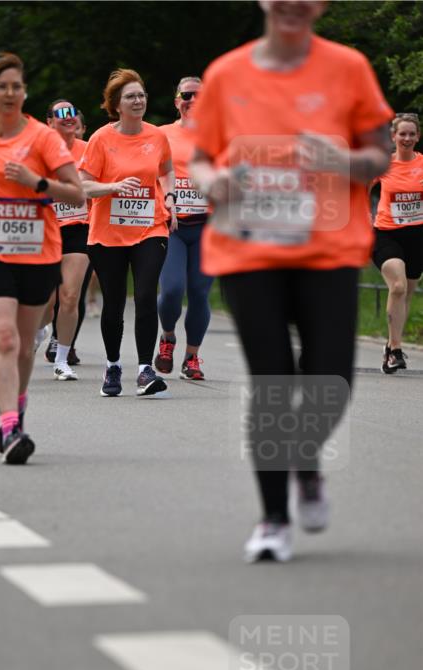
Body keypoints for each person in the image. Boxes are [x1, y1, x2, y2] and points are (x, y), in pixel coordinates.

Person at [191, 0, 393, 562]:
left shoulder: (348, 67)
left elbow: (381, 155)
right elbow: (201, 159)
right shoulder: (227, 73)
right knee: (272, 383)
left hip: (327, 250)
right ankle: (274, 518)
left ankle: (305, 459)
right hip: (248, 249)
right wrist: (218, 180)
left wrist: (344, 161)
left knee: (333, 381)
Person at [0, 51, 84, 463]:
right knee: (5, 338)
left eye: (16, 86)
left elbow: (76, 191)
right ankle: (10, 427)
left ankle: (18, 407)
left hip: (37, 251)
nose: (9, 93)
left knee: (25, 346)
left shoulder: (44, 138)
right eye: (1, 87)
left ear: (24, 92)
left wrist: (36, 182)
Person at [79, 68, 176, 397]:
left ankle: (145, 370)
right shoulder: (101, 139)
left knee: (147, 295)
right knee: (115, 303)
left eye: (142, 95)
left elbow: (167, 170)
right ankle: (113, 366)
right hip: (107, 234)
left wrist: (172, 197)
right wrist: (113, 186)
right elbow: (83, 184)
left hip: (151, 227)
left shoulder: (157, 136)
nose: (139, 100)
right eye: (131, 96)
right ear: (116, 104)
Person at [155, 78, 214, 382]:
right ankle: (167, 338)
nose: (193, 100)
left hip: (207, 225)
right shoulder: (162, 134)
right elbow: (148, 171)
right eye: (186, 95)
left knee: (199, 293)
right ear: (177, 101)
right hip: (172, 225)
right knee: (172, 290)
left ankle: (191, 357)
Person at [42, 98, 90, 381]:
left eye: (72, 111)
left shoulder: (89, 149)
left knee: (70, 296)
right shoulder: (39, 150)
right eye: (61, 113)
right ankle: (38, 331)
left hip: (79, 227)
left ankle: (61, 358)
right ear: (49, 121)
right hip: (46, 228)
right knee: (46, 302)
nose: (68, 116)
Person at [371, 112, 422, 374]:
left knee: (406, 294)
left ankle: (391, 346)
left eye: (412, 133)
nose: (407, 138)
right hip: (386, 234)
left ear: (418, 136)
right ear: (393, 137)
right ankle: (397, 351)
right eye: (402, 133)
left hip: (417, 236)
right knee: (399, 286)